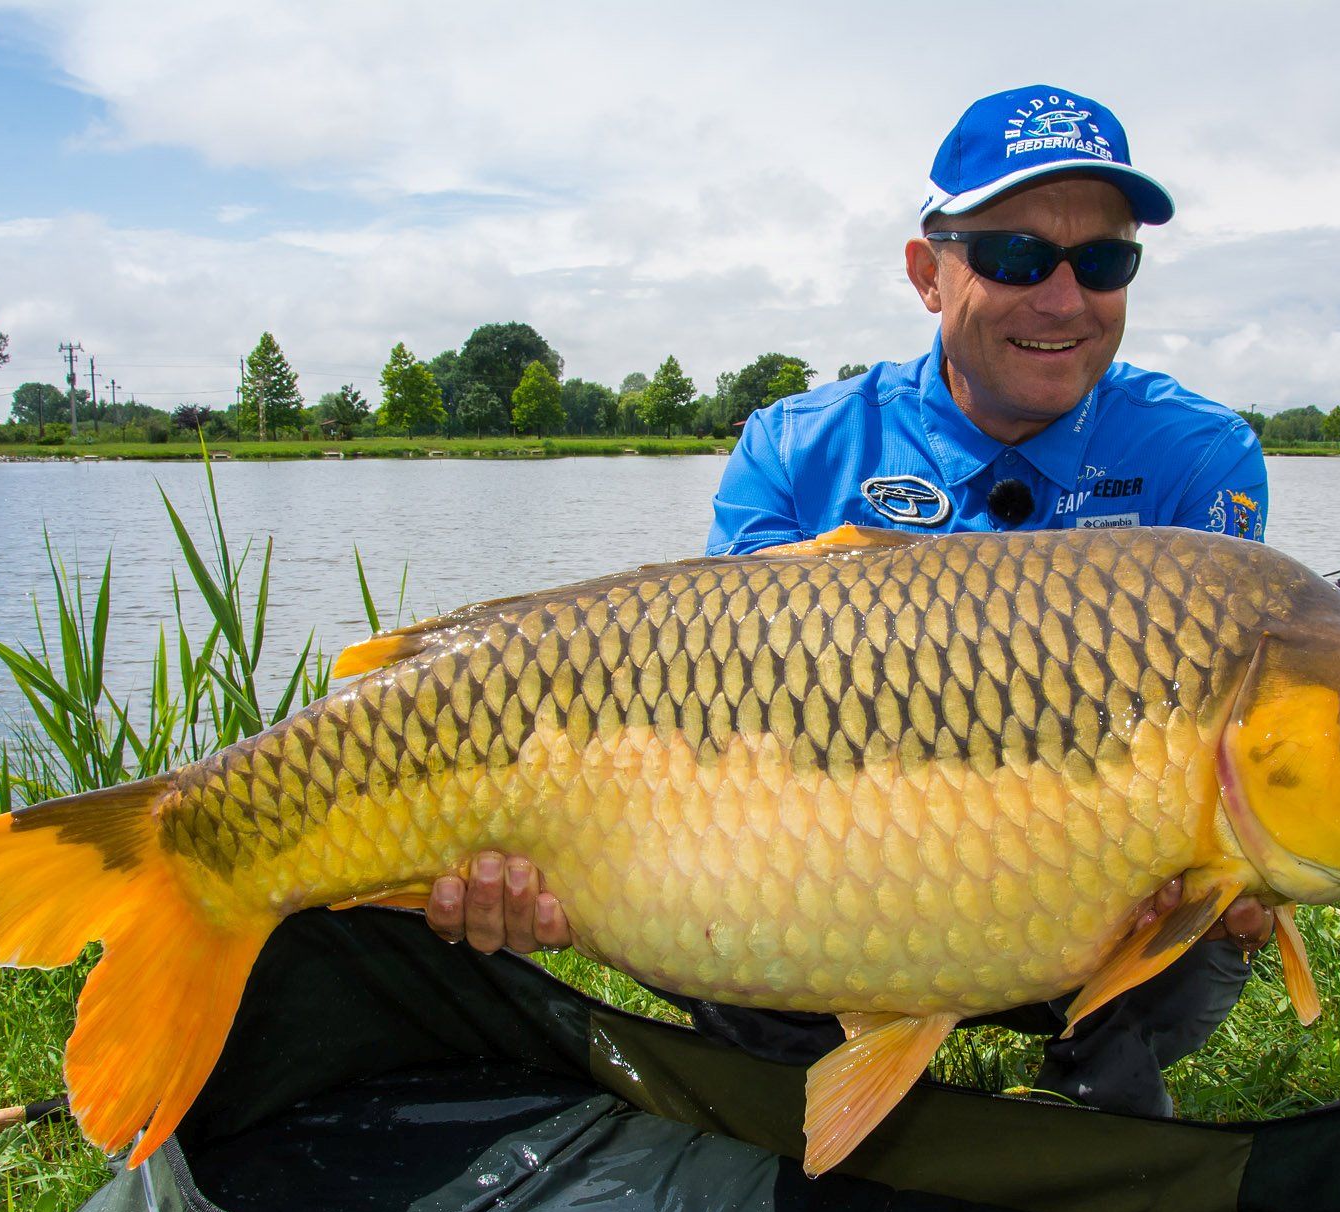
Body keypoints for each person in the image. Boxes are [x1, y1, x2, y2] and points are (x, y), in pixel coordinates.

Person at [427, 84, 1274, 1118]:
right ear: (929, 272)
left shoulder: (1199, 456)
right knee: (706, 885)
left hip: (1083, 888)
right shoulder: (795, 445)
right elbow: (714, 729)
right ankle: (801, 1087)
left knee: (1214, 893)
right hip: (829, 885)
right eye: (1014, 256)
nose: (1063, 299)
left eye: (1102, 260)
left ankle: (1093, 1104)